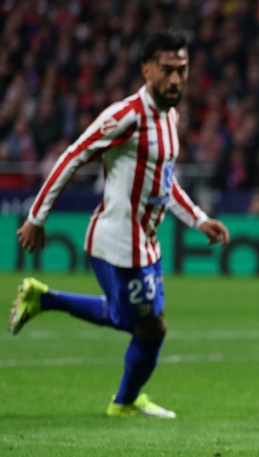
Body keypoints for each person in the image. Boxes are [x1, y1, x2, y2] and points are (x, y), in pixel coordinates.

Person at [9, 29, 230, 419]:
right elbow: (72, 157)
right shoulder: (125, 116)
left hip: (146, 244)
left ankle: (44, 301)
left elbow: (163, 179)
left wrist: (198, 219)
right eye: (167, 70)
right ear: (147, 70)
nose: (176, 79)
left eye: (183, 69)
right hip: (118, 246)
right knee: (149, 327)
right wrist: (36, 217)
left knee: (140, 322)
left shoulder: (170, 116)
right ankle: (124, 401)